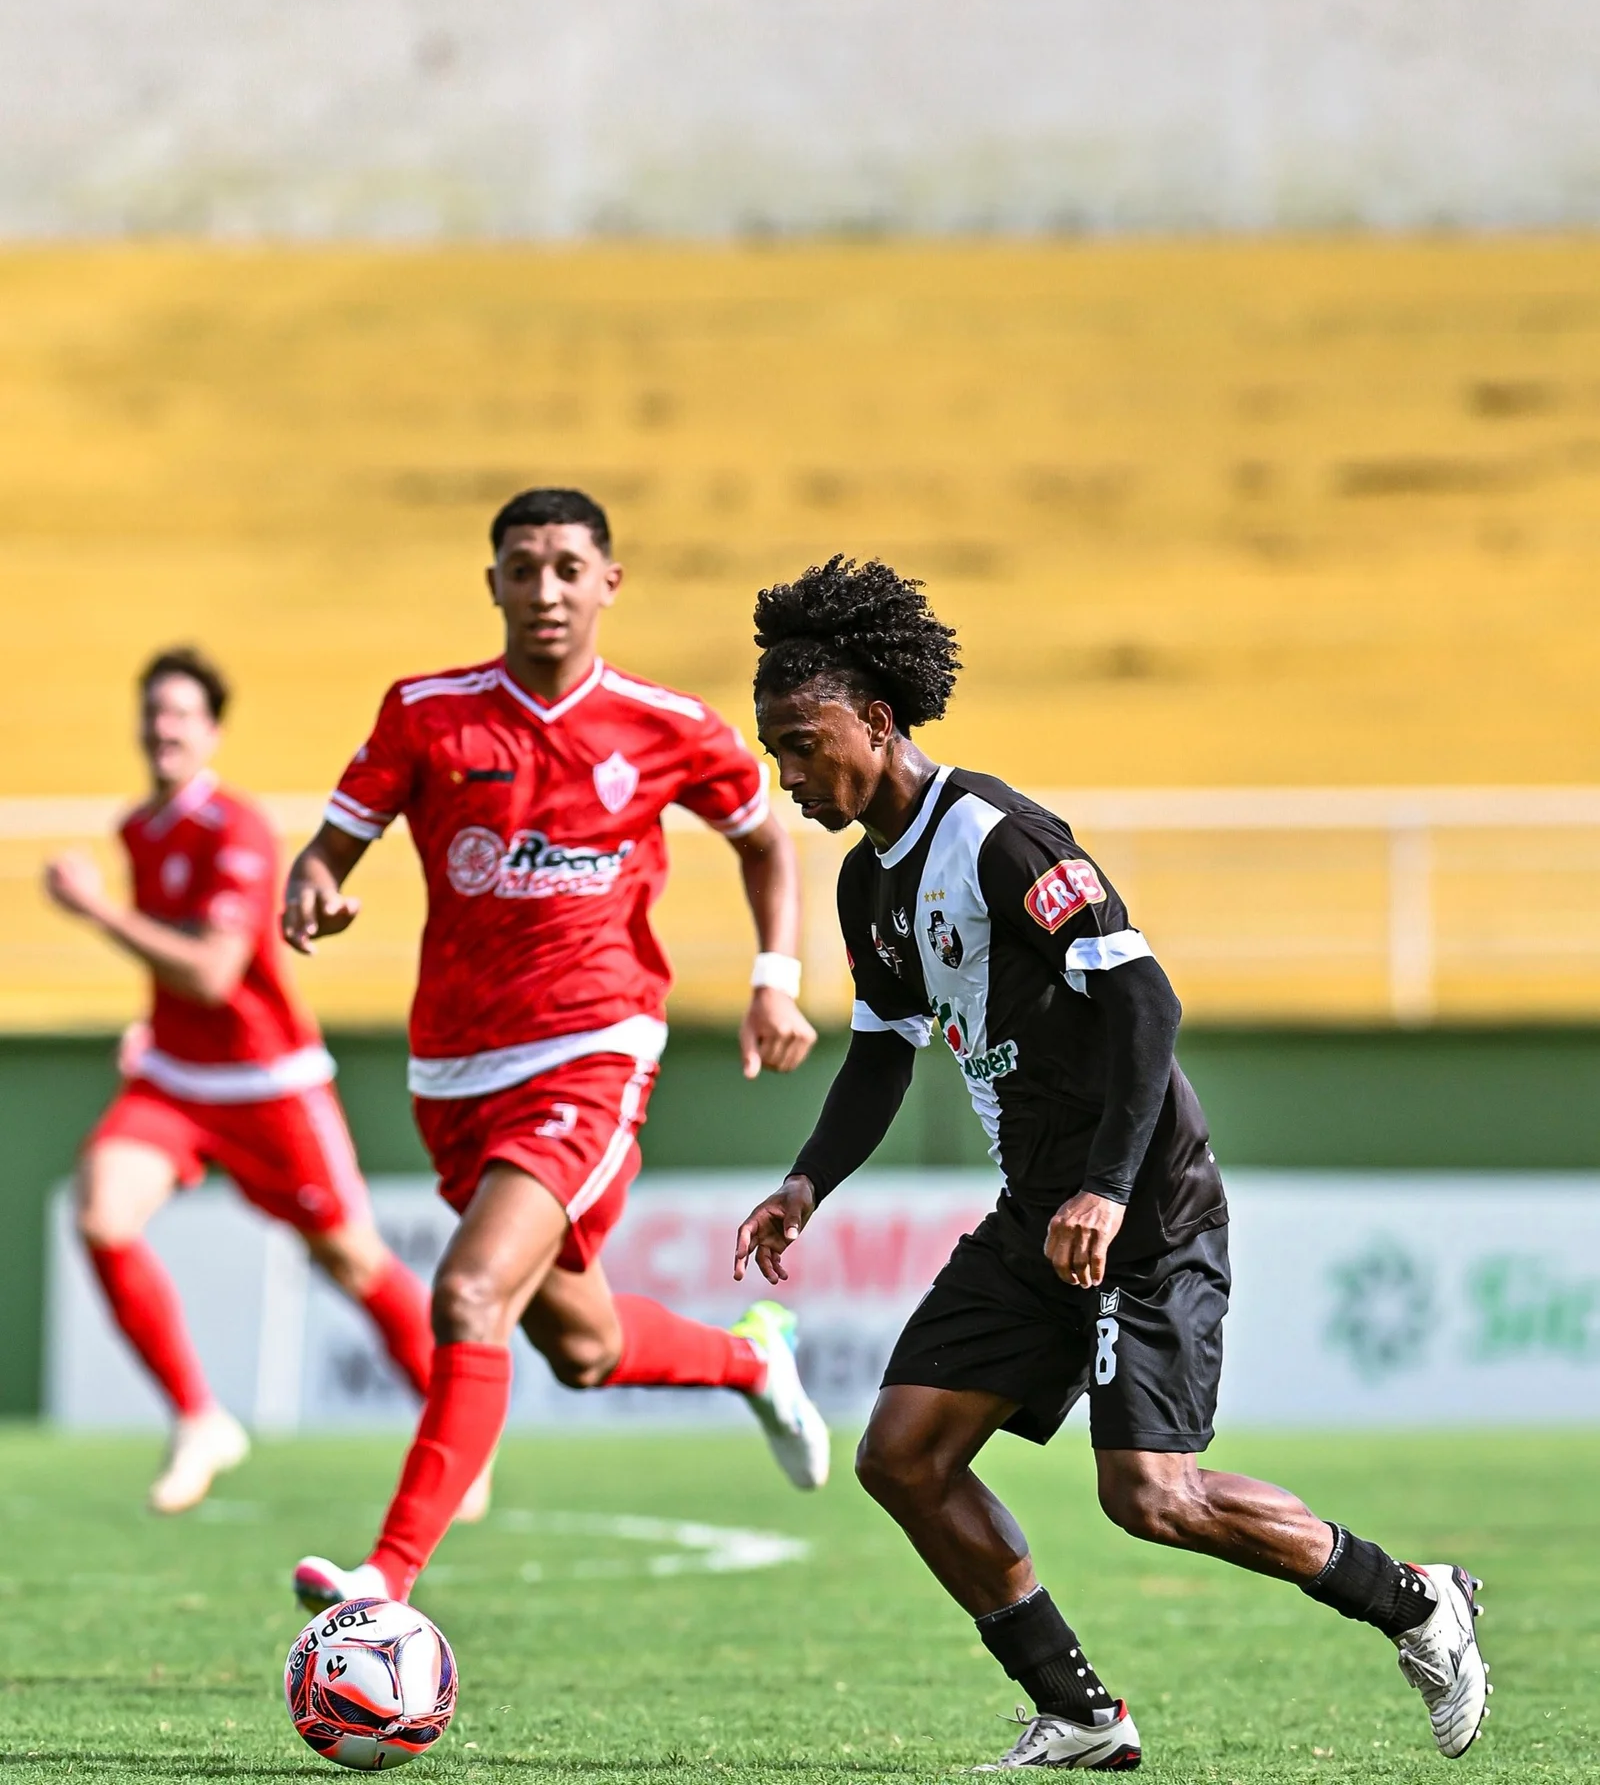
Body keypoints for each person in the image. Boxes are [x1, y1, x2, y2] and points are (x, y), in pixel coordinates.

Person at [734, 557, 1490, 1770]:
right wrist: (805, 1183)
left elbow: (1146, 1003)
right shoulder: (868, 883)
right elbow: (880, 1056)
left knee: (1152, 1497)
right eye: (775, 752)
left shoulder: (996, 835)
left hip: (1142, 1208)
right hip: (1038, 1214)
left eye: (804, 744)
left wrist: (1104, 1187)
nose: (790, 776)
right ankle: (1081, 1713)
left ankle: (1415, 1600)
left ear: (875, 719)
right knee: (903, 1456)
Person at [284, 486, 830, 1612]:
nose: (546, 590)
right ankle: (751, 1358)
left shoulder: (664, 723)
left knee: (469, 1293)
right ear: (492, 582)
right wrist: (314, 891)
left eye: (569, 568)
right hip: (454, 1069)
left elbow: (766, 839)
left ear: (608, 583)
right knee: (582, 1348)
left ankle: (384, 1583)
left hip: (593, 1047)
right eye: (523, 568)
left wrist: (775, 980)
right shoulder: (424, 713)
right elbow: (327, 850)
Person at [43, 648, 437, 1515]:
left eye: (182, 713)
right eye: (154, 711)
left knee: (351, 1259)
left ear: (212, 731)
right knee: (102, 1214)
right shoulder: (138, 828)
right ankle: (200, 1419)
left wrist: (96, 909)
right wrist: (152, 1025)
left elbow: (215, 973)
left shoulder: (239, 828)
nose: (164, 728)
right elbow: (175, 968)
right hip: (175, 1080)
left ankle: (451, 1434)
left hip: (268, 1083)